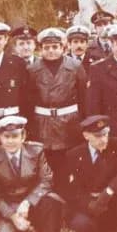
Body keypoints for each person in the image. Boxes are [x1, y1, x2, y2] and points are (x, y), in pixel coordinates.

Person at [0, 116, 63, 232]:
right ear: (0, 137)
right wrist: (13, 216)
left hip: (32, 202)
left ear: (23, 136)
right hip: (9, 206)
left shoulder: (36, 151)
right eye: (6, 136)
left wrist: (28, 202)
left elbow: (46, 180)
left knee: (52, 201)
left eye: (15, 136)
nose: (10, 141)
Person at [63, 115, 117, 232]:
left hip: (112, 202)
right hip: (91, 205)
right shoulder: (74, 155)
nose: (103, 139)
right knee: (78, 221)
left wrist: (109, 191)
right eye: (98, 136)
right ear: (86, 136)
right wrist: (89, 204)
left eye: (105, 134)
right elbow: (73, 188)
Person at [26, 27, 88, 178]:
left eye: (55, 47)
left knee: (69, 162)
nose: (51, 51)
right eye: (46, 48)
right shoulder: (32, 69)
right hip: (43, 124)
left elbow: (84, 97)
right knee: (47, 162)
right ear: (40, 49)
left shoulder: (75, 66)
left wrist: (82, 122)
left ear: (63, 47)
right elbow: (29, 100)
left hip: (70, 123)